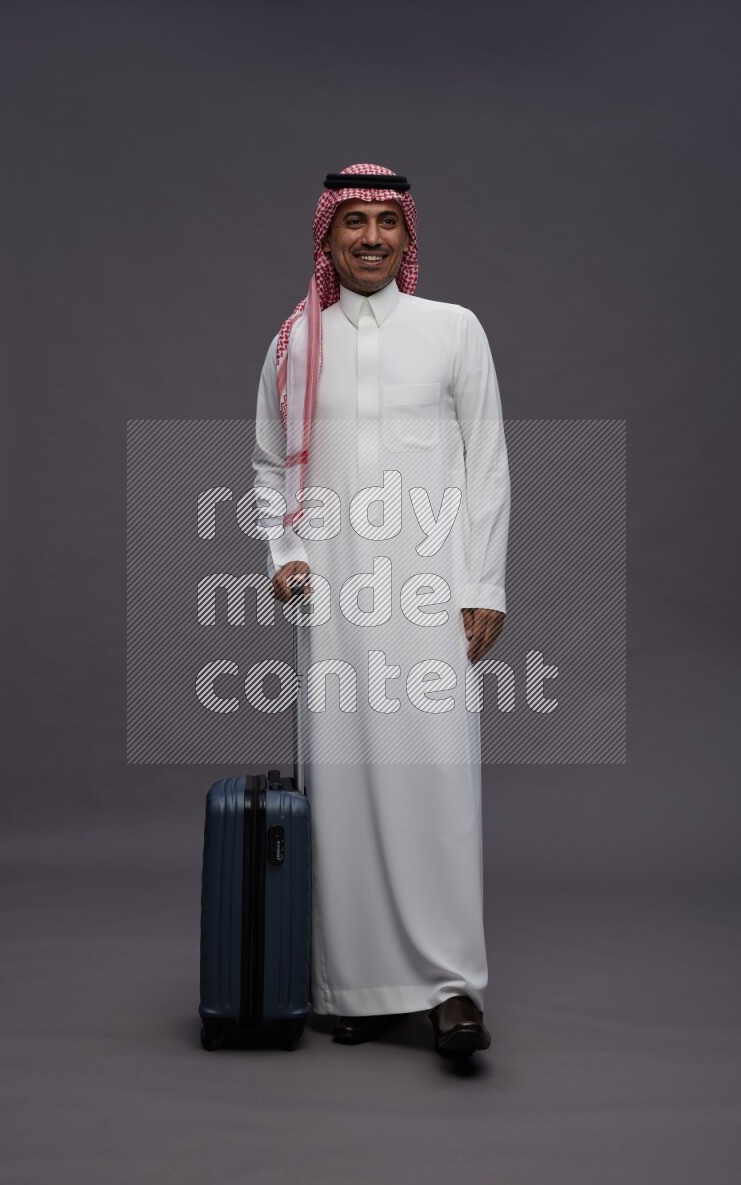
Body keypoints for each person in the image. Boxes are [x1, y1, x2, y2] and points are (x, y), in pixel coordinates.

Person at [251, 163, 510, 1057]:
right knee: (345, 783)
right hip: (336, 601)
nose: (368, 238)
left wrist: (486, 584)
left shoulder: (453, 331)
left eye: (384, 223)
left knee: (437, 780)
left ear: (407, 238)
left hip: (433, 592)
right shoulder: (294, 343)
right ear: (325, 239)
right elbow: (265, 465)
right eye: (350, 223)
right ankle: (351, 987)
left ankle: (451, 989)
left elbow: (489, 462)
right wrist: (284, 557)